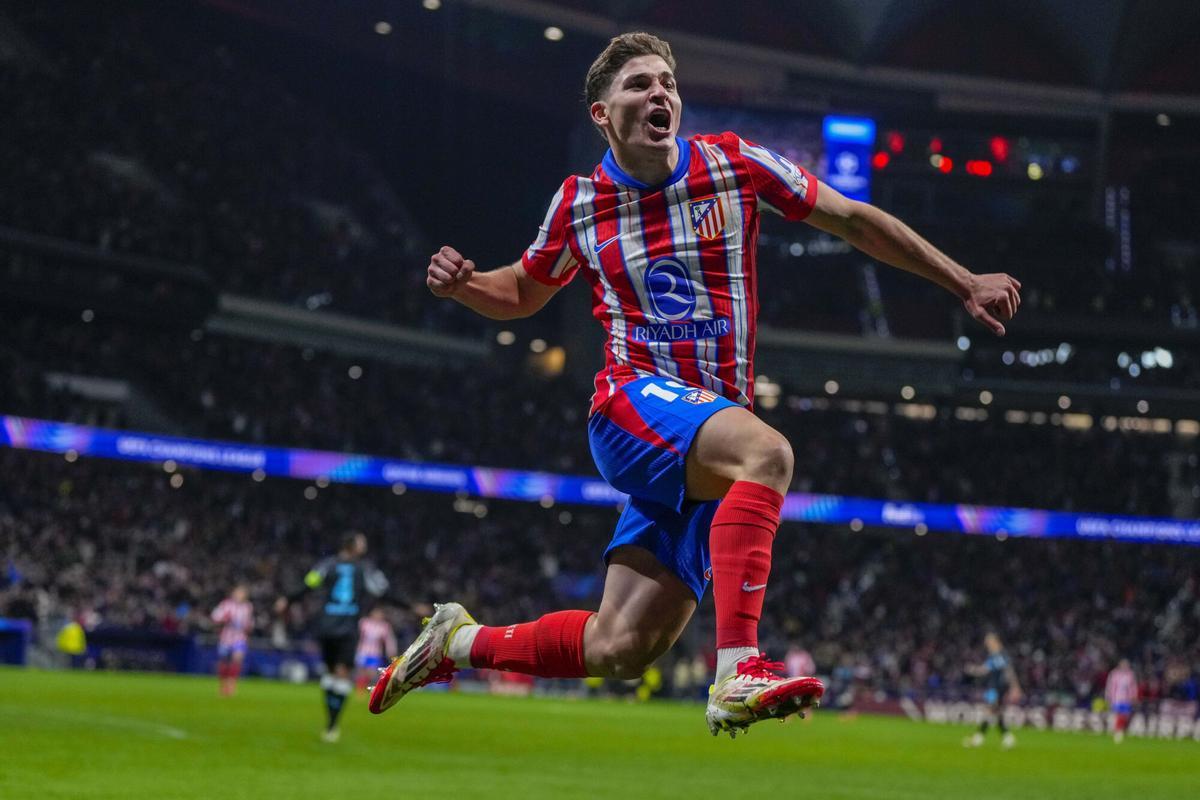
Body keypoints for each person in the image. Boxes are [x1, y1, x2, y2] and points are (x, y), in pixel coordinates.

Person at [370, 31, 1021, 738]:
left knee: (622, 646)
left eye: (668, 84)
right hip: (629, 406)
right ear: (601, 113)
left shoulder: (734, 165)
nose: (660, 95)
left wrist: (963, 281)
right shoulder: (580, 203)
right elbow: (525, 290)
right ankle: (739, 667)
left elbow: (854, 219)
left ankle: (455, 643)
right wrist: (468, 288)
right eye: (640, 85)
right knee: (768, 455)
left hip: (706, 437)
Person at [279, 531, 388, 742]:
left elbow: (308, 584)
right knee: (339, 675)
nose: (364, 546)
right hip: (346, 627)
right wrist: (410, 606)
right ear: (353, 546)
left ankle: (330, 723)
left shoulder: (326, 565)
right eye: (361, 542)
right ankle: (332, 723)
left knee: (331, 675)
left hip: (326, 625)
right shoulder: (364, 569)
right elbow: (383, 592)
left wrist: (288, 599)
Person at [964, 633, 1022, 749]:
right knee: (996, 713)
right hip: (993, 688)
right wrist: (973, 670)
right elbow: (984, 669)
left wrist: (1015, 687)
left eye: (989, 642)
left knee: (990, 711)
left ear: (995, 642)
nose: (987, 644)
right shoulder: (994, 655)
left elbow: (1008, 671)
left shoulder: (1000, 655)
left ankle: (979, 738)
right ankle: (1007, 737)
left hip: (998, 688)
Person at [211, 584, 253, 696]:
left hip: (240, 638)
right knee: (224, 661)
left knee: (237, 658)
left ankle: (232, 684)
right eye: (238, 592)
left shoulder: (247, 607)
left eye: (242, 593)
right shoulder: (226, 605)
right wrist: (224, 619)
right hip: (226, 638)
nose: (240, 595)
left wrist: (248, 632)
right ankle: (223, 684)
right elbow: (215, 617)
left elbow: (248, 624)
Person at [355, 607, 398, 692]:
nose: (378, 616)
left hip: (375, 653)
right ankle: (360, 692)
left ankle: (370, 690)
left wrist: (391, 651)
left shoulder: (384, 626)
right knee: (361, 672)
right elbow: (357, 636)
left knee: (371, 673)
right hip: (362, 651)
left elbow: (389, 640)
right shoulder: (364, 623)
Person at [1105, 658, 1138, 743]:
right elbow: (1110, 686)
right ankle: (1118, 732)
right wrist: (1108, 697)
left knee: (1125, 716)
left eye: (1126, 664)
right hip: (1116, 699)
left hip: (1126, 700)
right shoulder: (1114, 674)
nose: (1125, 666)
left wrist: (1133, 697)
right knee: (1118, 715)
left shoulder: (1130, 675)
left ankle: (1120, 731)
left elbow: (1133, 687)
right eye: (1123, 664)